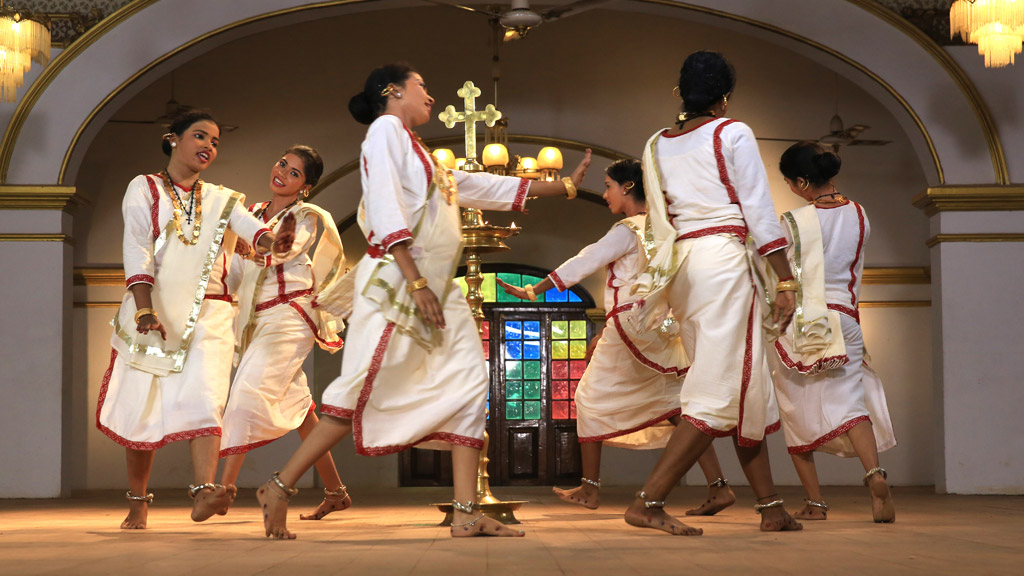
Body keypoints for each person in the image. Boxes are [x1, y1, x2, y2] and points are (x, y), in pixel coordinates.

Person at [254, 63, 593, 540]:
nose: (430, 96)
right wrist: (414, 281)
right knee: (357, 388)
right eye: (423, 87)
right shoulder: (385, 132)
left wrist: (561, 185)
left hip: (434, 287)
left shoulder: (423, 155)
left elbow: (476, 186)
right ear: (393, 92)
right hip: (399, 281)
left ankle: (465, 511)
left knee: (469, 385)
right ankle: (278, 485)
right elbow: (386, 202)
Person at [623, 51, 802, 535]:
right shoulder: (732, 132)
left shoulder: (657, 143)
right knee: (720, 388)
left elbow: (658, 223)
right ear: (725, 97)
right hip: (722, 263)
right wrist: (785, 278)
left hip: (682, 268)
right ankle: (647, 501)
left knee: (741, 386)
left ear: (680, 93)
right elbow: (759, 212)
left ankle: (770, 507)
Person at [96, 109, 296, 529]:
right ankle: (138, 501)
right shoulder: (144, 188)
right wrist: (145, 306)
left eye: (216, 141)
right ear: (173, 139)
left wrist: (270, 238)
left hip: (212, 313)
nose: (209, 146)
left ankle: (205, 491)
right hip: (154, 311)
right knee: (141, 409)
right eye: (200, 136)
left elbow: (251, 228)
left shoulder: (225, 198)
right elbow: (137, 247)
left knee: (207, 397)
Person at [497, 159, 734, 513]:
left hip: (631, 326)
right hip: (655, 327)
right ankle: (718, 488)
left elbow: (587, 259)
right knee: (676, 406)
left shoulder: (628, 229)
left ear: (627, 187)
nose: (606, 193)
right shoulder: (664, 229)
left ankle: (590, 489)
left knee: (588, 399)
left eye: (608, 186)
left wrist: (536, 289)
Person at [218, 145, 352, 521]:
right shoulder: (257, 213)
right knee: (301, 410)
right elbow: (236, 267)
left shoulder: (304, 216)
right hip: (256, 318)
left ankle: (222, 488)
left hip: (290, 315)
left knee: (245, 393)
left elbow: (277, 252)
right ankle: (336, 493)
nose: (282, 173)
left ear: (305, 186)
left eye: (294, 173)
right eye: (282, 163)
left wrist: (239, 238)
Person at [769, 141, 896, 523]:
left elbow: (779, 276)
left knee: (794, 411)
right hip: (846, 318)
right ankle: (874, 476)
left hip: (803, 324)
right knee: (852, 405)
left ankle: (815, 502)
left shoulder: (792, 222)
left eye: (791, 182)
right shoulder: (860, 214)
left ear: (803, 181)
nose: (792, 189)